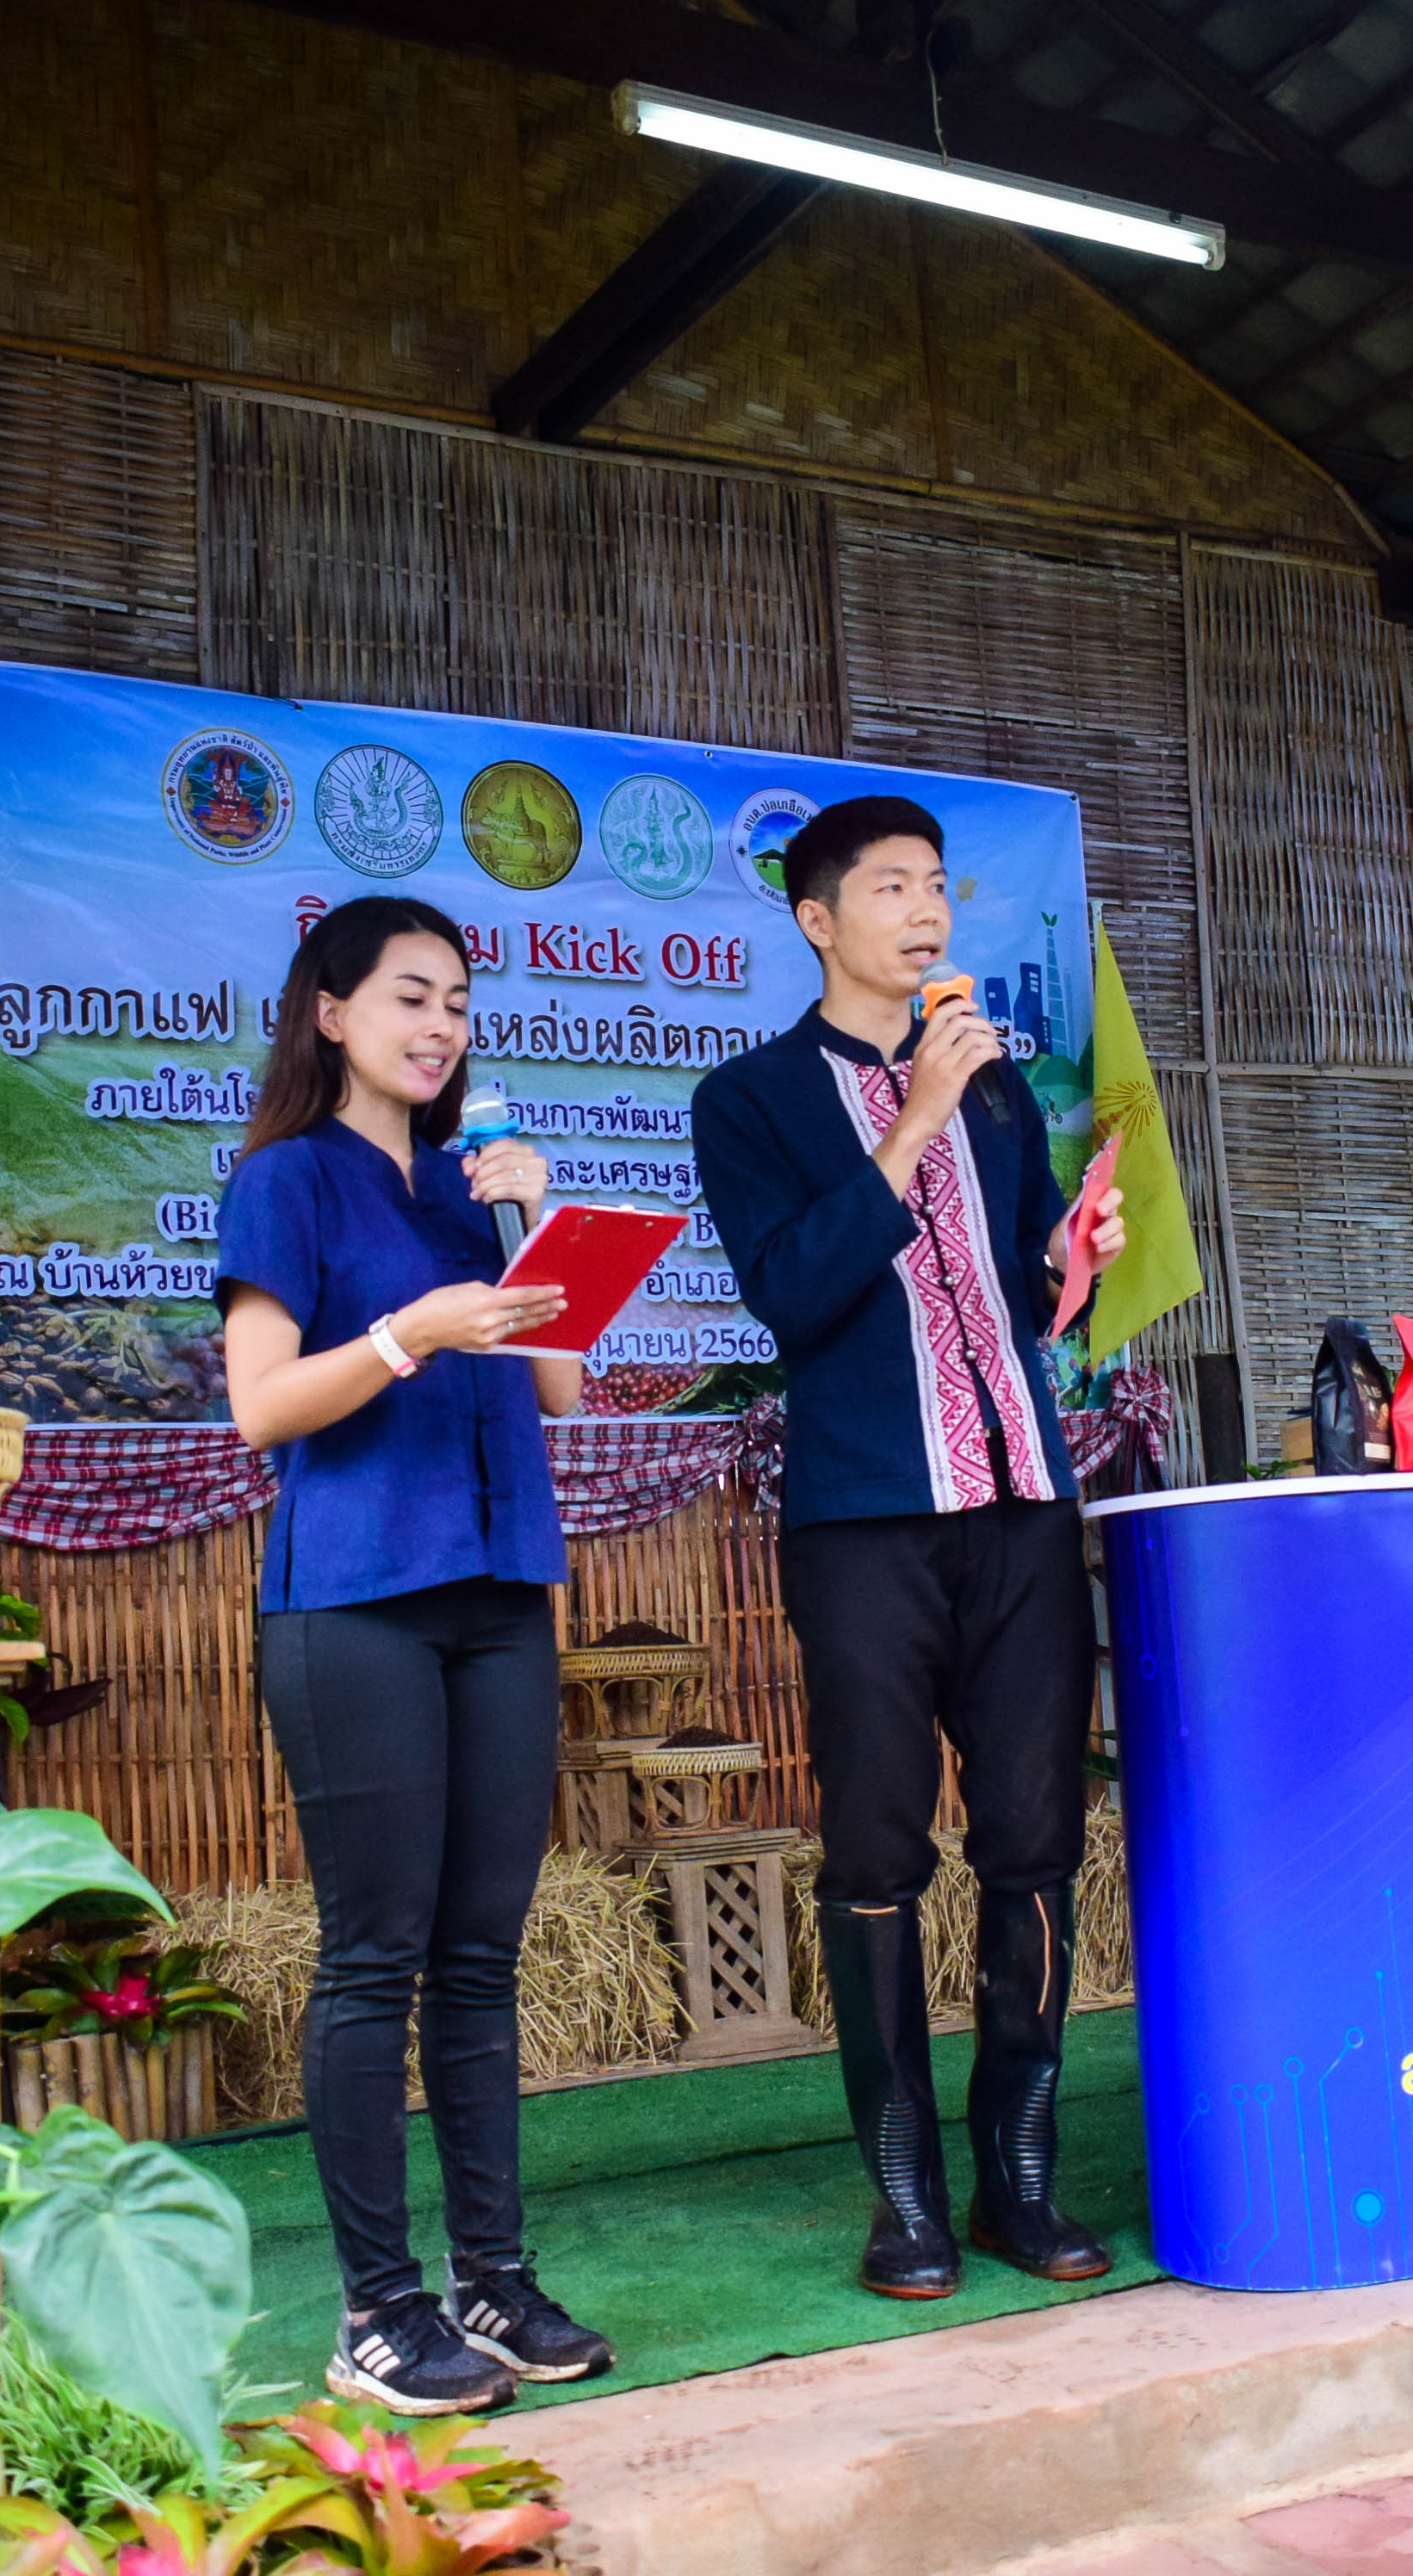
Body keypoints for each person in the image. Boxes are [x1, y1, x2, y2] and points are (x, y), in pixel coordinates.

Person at [689, 797, 1130, 2298]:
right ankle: (905, 2195)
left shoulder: (1000, 1095)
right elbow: (792, 1295)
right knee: (877, 1847)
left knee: (1037, 1836)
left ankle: (1019, 2172)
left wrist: (1070, 1260)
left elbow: (1015, 1292)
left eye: (938, 885)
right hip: (867, 1519)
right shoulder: (747, 1098)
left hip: (1019, 1506)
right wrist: (916, 1118)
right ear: (818, 920)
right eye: (891, 887)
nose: (926, 910)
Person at [215, 894, 617, 2412]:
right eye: (408, 997)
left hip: (504, 1590)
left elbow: (566, 1391)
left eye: (457, 1001)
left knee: (480, 1956)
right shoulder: (286, 1181)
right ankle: (377, 2313)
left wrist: (537, 1220)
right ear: (331, 1012)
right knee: (374, 1958)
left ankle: (491, 2285)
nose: (439, 1025)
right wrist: (406, 1336)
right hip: (358, 1604)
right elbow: (259, 1409)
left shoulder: (469, 1190)